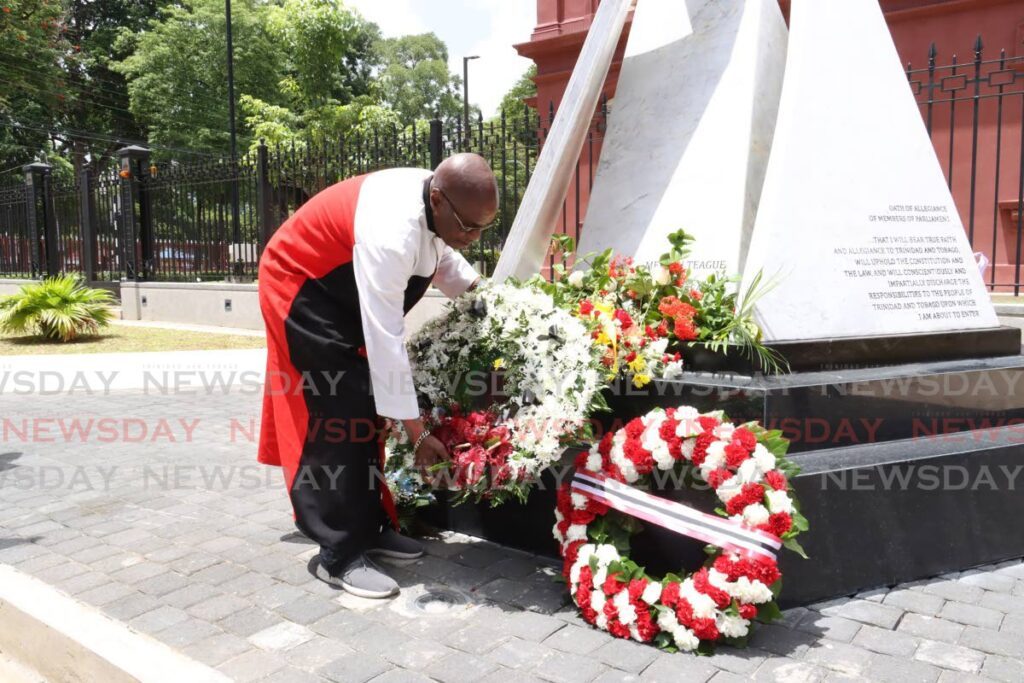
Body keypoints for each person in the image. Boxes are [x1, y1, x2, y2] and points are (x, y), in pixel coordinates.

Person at [257, 153, 497, 598]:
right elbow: (386, 342)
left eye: (483, 228)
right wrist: (418, 433)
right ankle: (338, 552)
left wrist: (502, 308)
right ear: (439, 198)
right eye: (468, 226)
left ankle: (371, 528)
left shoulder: (438, 207)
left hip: (340, 293)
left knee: (367, 410)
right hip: (301, 287)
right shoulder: (392, 232)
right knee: (339, 412)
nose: (473, 237)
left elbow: (448, 264)